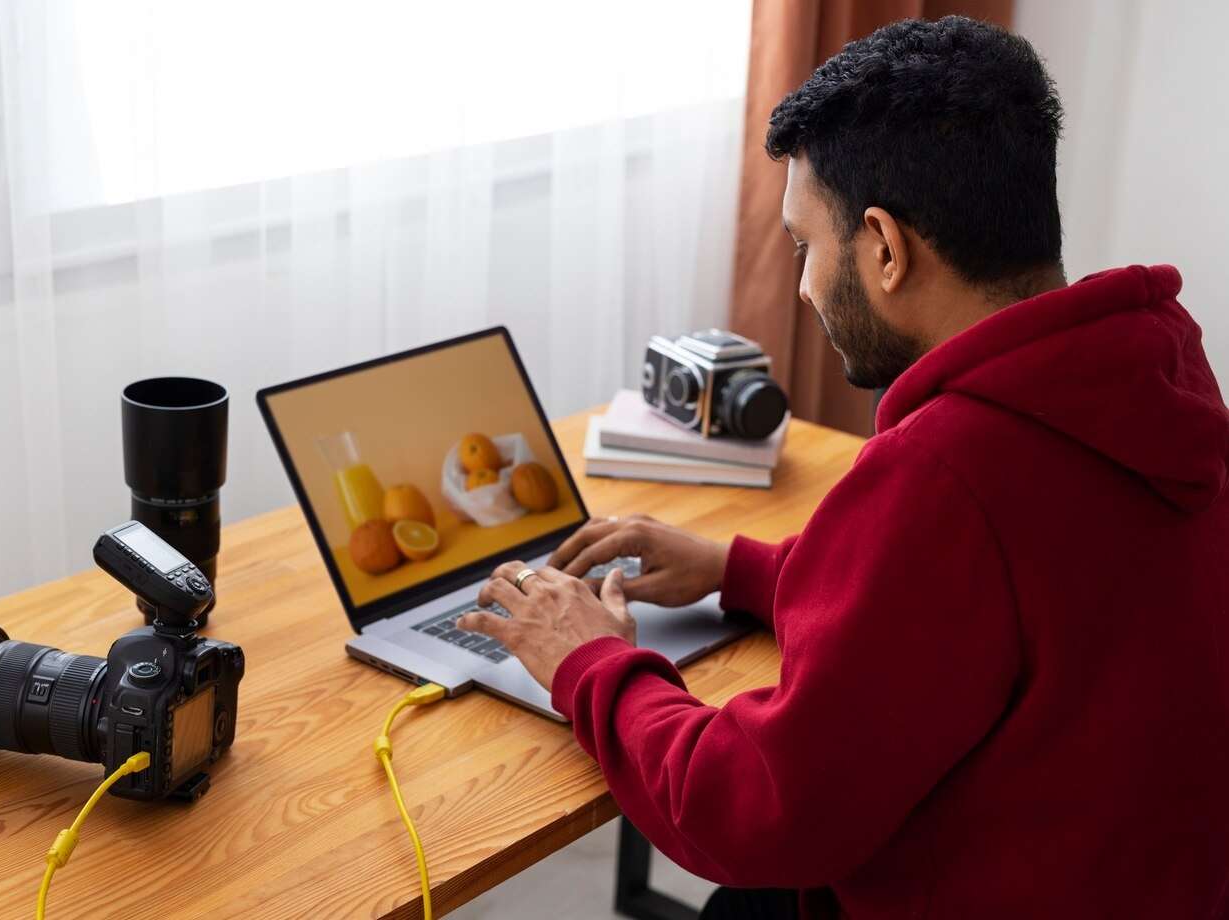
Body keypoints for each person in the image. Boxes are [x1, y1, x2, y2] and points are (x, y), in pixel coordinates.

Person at [459, 15, 1229, 919]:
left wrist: (587, 661)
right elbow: (1006, 600)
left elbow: (751, 814)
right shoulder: (1149, 384)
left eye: (803, 245)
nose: (800, 284)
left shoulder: (946, 472)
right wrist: (743, 569)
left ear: (884, 247)